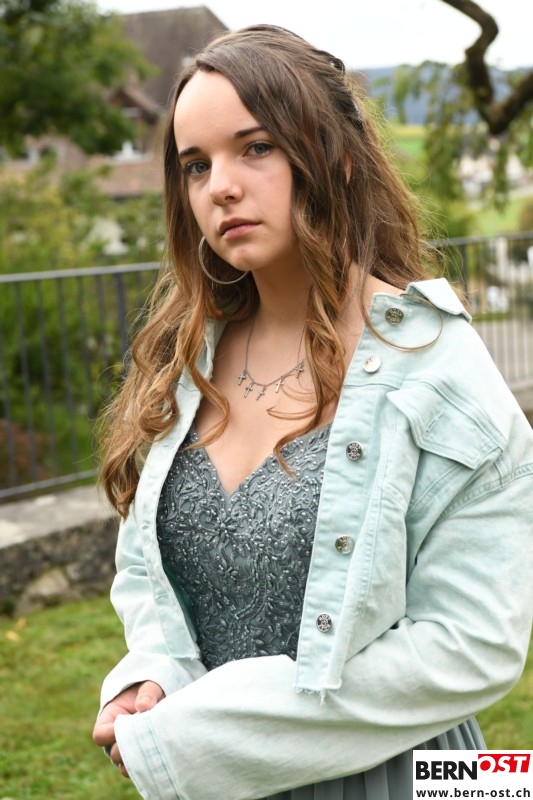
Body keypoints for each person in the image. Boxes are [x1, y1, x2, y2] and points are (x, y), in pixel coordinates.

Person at [92, 24, 533, 800]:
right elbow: (146, 573)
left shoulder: (433, 366)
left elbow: (473, 645)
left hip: (397, 779)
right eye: (196, 165)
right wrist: (154, 674)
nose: (220, 187)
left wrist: (208, 732)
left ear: (337, 155)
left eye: (255, 148)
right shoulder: (186, 362)